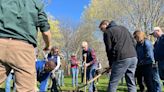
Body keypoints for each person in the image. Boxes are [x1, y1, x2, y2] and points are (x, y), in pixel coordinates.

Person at [0, 0, 51, 92]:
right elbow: (46, 32)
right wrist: (48, 45)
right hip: (23, 49)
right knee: (27, 89)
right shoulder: (35, 3)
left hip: (1, 44)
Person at [99, 20, 138, 92]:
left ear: (106, 24)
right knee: (131, 82)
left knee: (113, 82)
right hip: (133, 57)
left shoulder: (108, 32)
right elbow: (133, 42)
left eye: (102, 29)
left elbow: (109, 49)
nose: (102, 31)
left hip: (121, 58)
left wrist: (111, 64)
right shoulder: (124, 28)